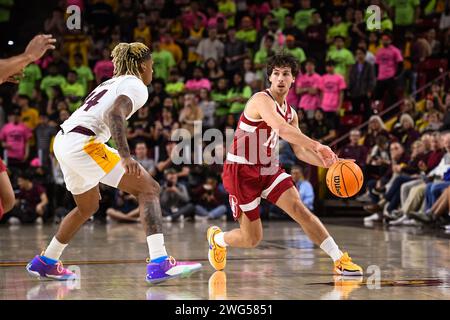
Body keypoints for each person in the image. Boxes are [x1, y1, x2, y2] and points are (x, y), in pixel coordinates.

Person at [26, 42, 201, 283]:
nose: (153, 71)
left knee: (87, 207)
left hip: (64, 141)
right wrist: (126, 155)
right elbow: (114, 114)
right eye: (152, 66)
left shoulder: (109, 83)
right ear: (141, 67)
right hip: (84, 143)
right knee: (149, 189)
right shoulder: (136, 84)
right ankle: (160, 262)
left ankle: (47, 261)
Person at [207, 53, 363, 276]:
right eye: (276, 73)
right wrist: (318, 145)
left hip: (269, 169)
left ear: (293, 80)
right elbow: (280, 128)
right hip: (241, 172)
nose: (280, 78)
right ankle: (218, 239)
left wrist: (332, 163)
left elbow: (299, 151)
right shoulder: (261, 100)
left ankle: (339, 259)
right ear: (269, 78)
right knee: (252, 239)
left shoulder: (291, 113)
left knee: (300, 209)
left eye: (286, 74)